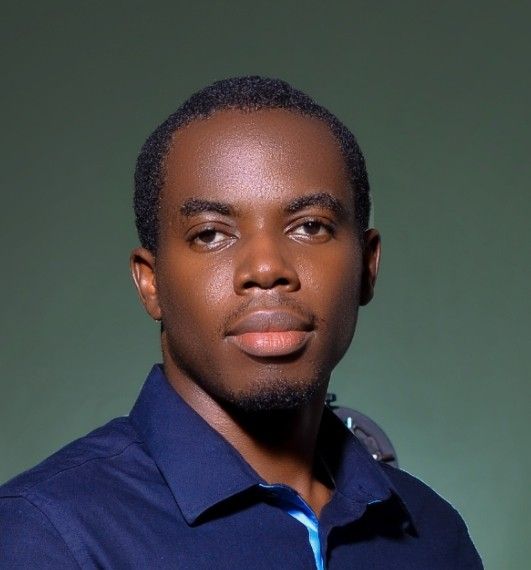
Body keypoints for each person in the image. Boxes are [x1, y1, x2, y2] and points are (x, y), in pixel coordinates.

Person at [0, 76, 482, 569]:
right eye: (211, 234)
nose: (266, 268)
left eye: (310, 226)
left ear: (367, 265)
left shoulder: (435, 535)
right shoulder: (45, 535)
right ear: (151, 283)